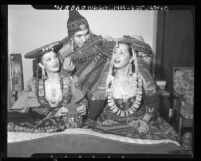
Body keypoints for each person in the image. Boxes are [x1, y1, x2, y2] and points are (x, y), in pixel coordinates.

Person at [91, 36, 178, 142]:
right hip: (111, 121)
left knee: (160, 138)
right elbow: (98, 103)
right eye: (114, 52)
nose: (116, 56)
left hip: (138, 119)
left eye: (122, 53)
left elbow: (152, 103)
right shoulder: (107, 77)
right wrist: (90, 121)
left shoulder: (141, 78)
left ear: (132, 57)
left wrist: (145, 121)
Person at [7, 41, 88, 133]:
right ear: (41, 65)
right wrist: (54, 113)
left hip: (66, 119)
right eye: (49, 59)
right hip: (42, 119)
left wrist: (83, 107)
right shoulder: (34, 83)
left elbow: (82, 101)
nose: (54, 61)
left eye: (55, 57)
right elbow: (33, 110)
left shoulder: (72, 80)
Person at [58, 10, 114, 127]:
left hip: (96, 84)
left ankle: (91, 118)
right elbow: (58, 81)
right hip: (76, 87)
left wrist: (109, 46)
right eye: (79, 36)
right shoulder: (63, 50)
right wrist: (65, 72)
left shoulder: (96, 40)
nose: (84, 39)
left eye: (86, 33)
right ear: (71, 36)